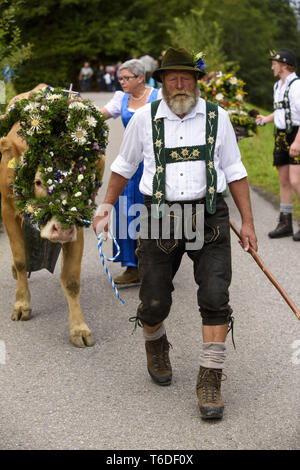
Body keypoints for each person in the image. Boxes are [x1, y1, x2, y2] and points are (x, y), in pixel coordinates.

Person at [93, 47, 257, 420]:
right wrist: (106, 206)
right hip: (158, 216)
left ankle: (210, 379)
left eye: (186, 78)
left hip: (208, 215)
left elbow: (235, 170)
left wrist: (247, 223)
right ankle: (156, 344)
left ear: (197, 82)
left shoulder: (218, 117)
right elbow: (123, 164)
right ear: (162, 82)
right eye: (172, 78)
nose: (179, 84)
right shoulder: (144, 118)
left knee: (215, 297)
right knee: (153, 302)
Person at [99, 59, 160, 286]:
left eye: (126, 78)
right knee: (125, 210)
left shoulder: (159, 96)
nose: (122, 82)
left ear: (140, 77)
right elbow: (98, 115)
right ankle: (131, 266)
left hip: (152, 163)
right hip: (129, 163)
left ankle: (155, 264)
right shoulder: (121, 99)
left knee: (150, 212)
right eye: (120, 78)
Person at [256, 49, 300, 241]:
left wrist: (298, 141)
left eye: (274, 63)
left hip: (296, 134)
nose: (271, 66)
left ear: (284, 65)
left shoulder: (297, 86)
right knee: (284, 180)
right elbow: (281, 111)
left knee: (296, 181)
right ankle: (285, 222)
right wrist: (265, 119)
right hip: (281, 136)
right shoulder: (277, 87)